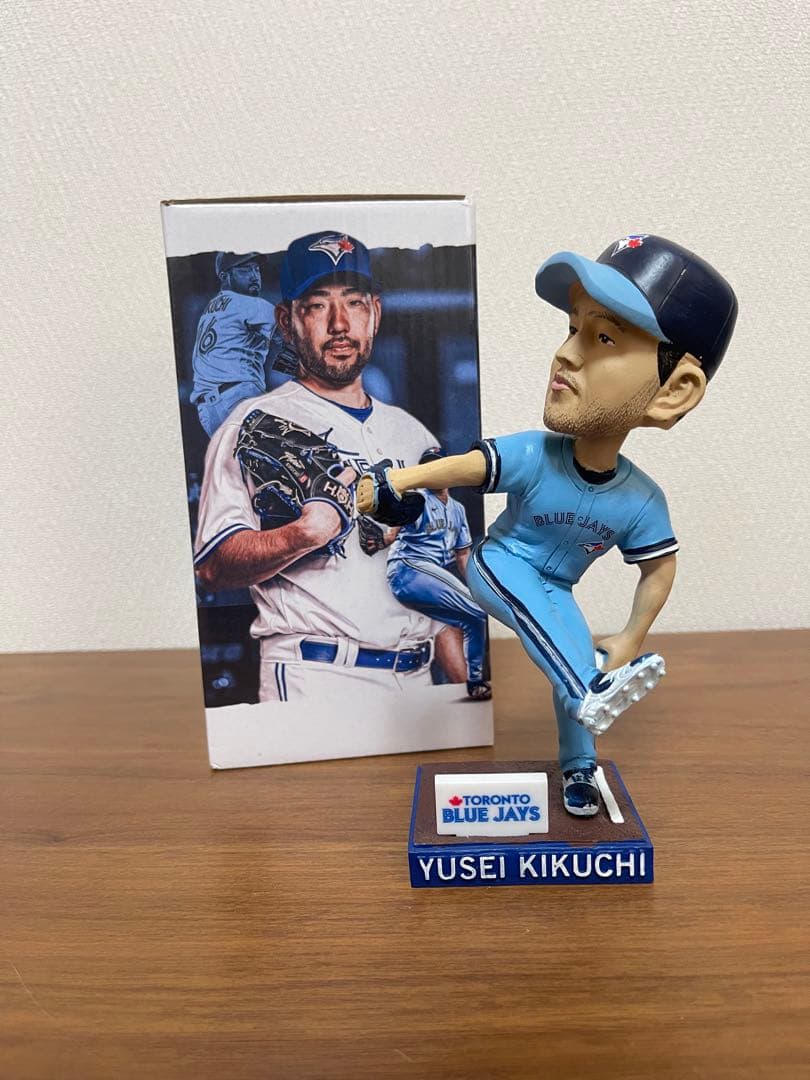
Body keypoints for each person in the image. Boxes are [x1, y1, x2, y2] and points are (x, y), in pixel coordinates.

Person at [358, 233, 737, 817]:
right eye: (572, 328)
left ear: (674, 392)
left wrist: (631, 637)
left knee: (575, 659)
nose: (566, 354)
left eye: (604, 338)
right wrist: (400, 481)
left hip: (556, 587)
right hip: (500, 564)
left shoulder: (641, 500)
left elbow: (660, 570)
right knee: (572, 666)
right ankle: (589, 691)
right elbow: (467, 466)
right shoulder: (537, 454)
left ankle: (579, 767)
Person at [193, 231, 445, 701]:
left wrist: (469, 680)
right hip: (318, 673)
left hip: (420, 675)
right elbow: (212, 565)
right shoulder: (251, 423)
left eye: (354, 303)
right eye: (317, 305)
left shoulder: (413, 434)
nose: (339, 324)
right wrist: (301, 535)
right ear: (286, 322)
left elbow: (436, 571)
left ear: (375, 313)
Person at [386, 447, 491, 700]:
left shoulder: (457, 509)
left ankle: (476, 682)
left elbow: (463, 555)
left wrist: (477, 588)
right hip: (407, 568)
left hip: (427, 577)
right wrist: (382, 538)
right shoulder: (417, 499)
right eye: (429, 466)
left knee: (475, 619)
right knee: (478, 608)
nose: (435, 471)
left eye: (440, 465)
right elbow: (391, 531)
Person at [191, 252, 276, 437]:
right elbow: (297, 333)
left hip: (207, 412)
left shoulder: (209, 309)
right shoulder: (248, 304)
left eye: (256, 269)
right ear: (224, 277)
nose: (254, 276)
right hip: (237, 397)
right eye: (245, 270)